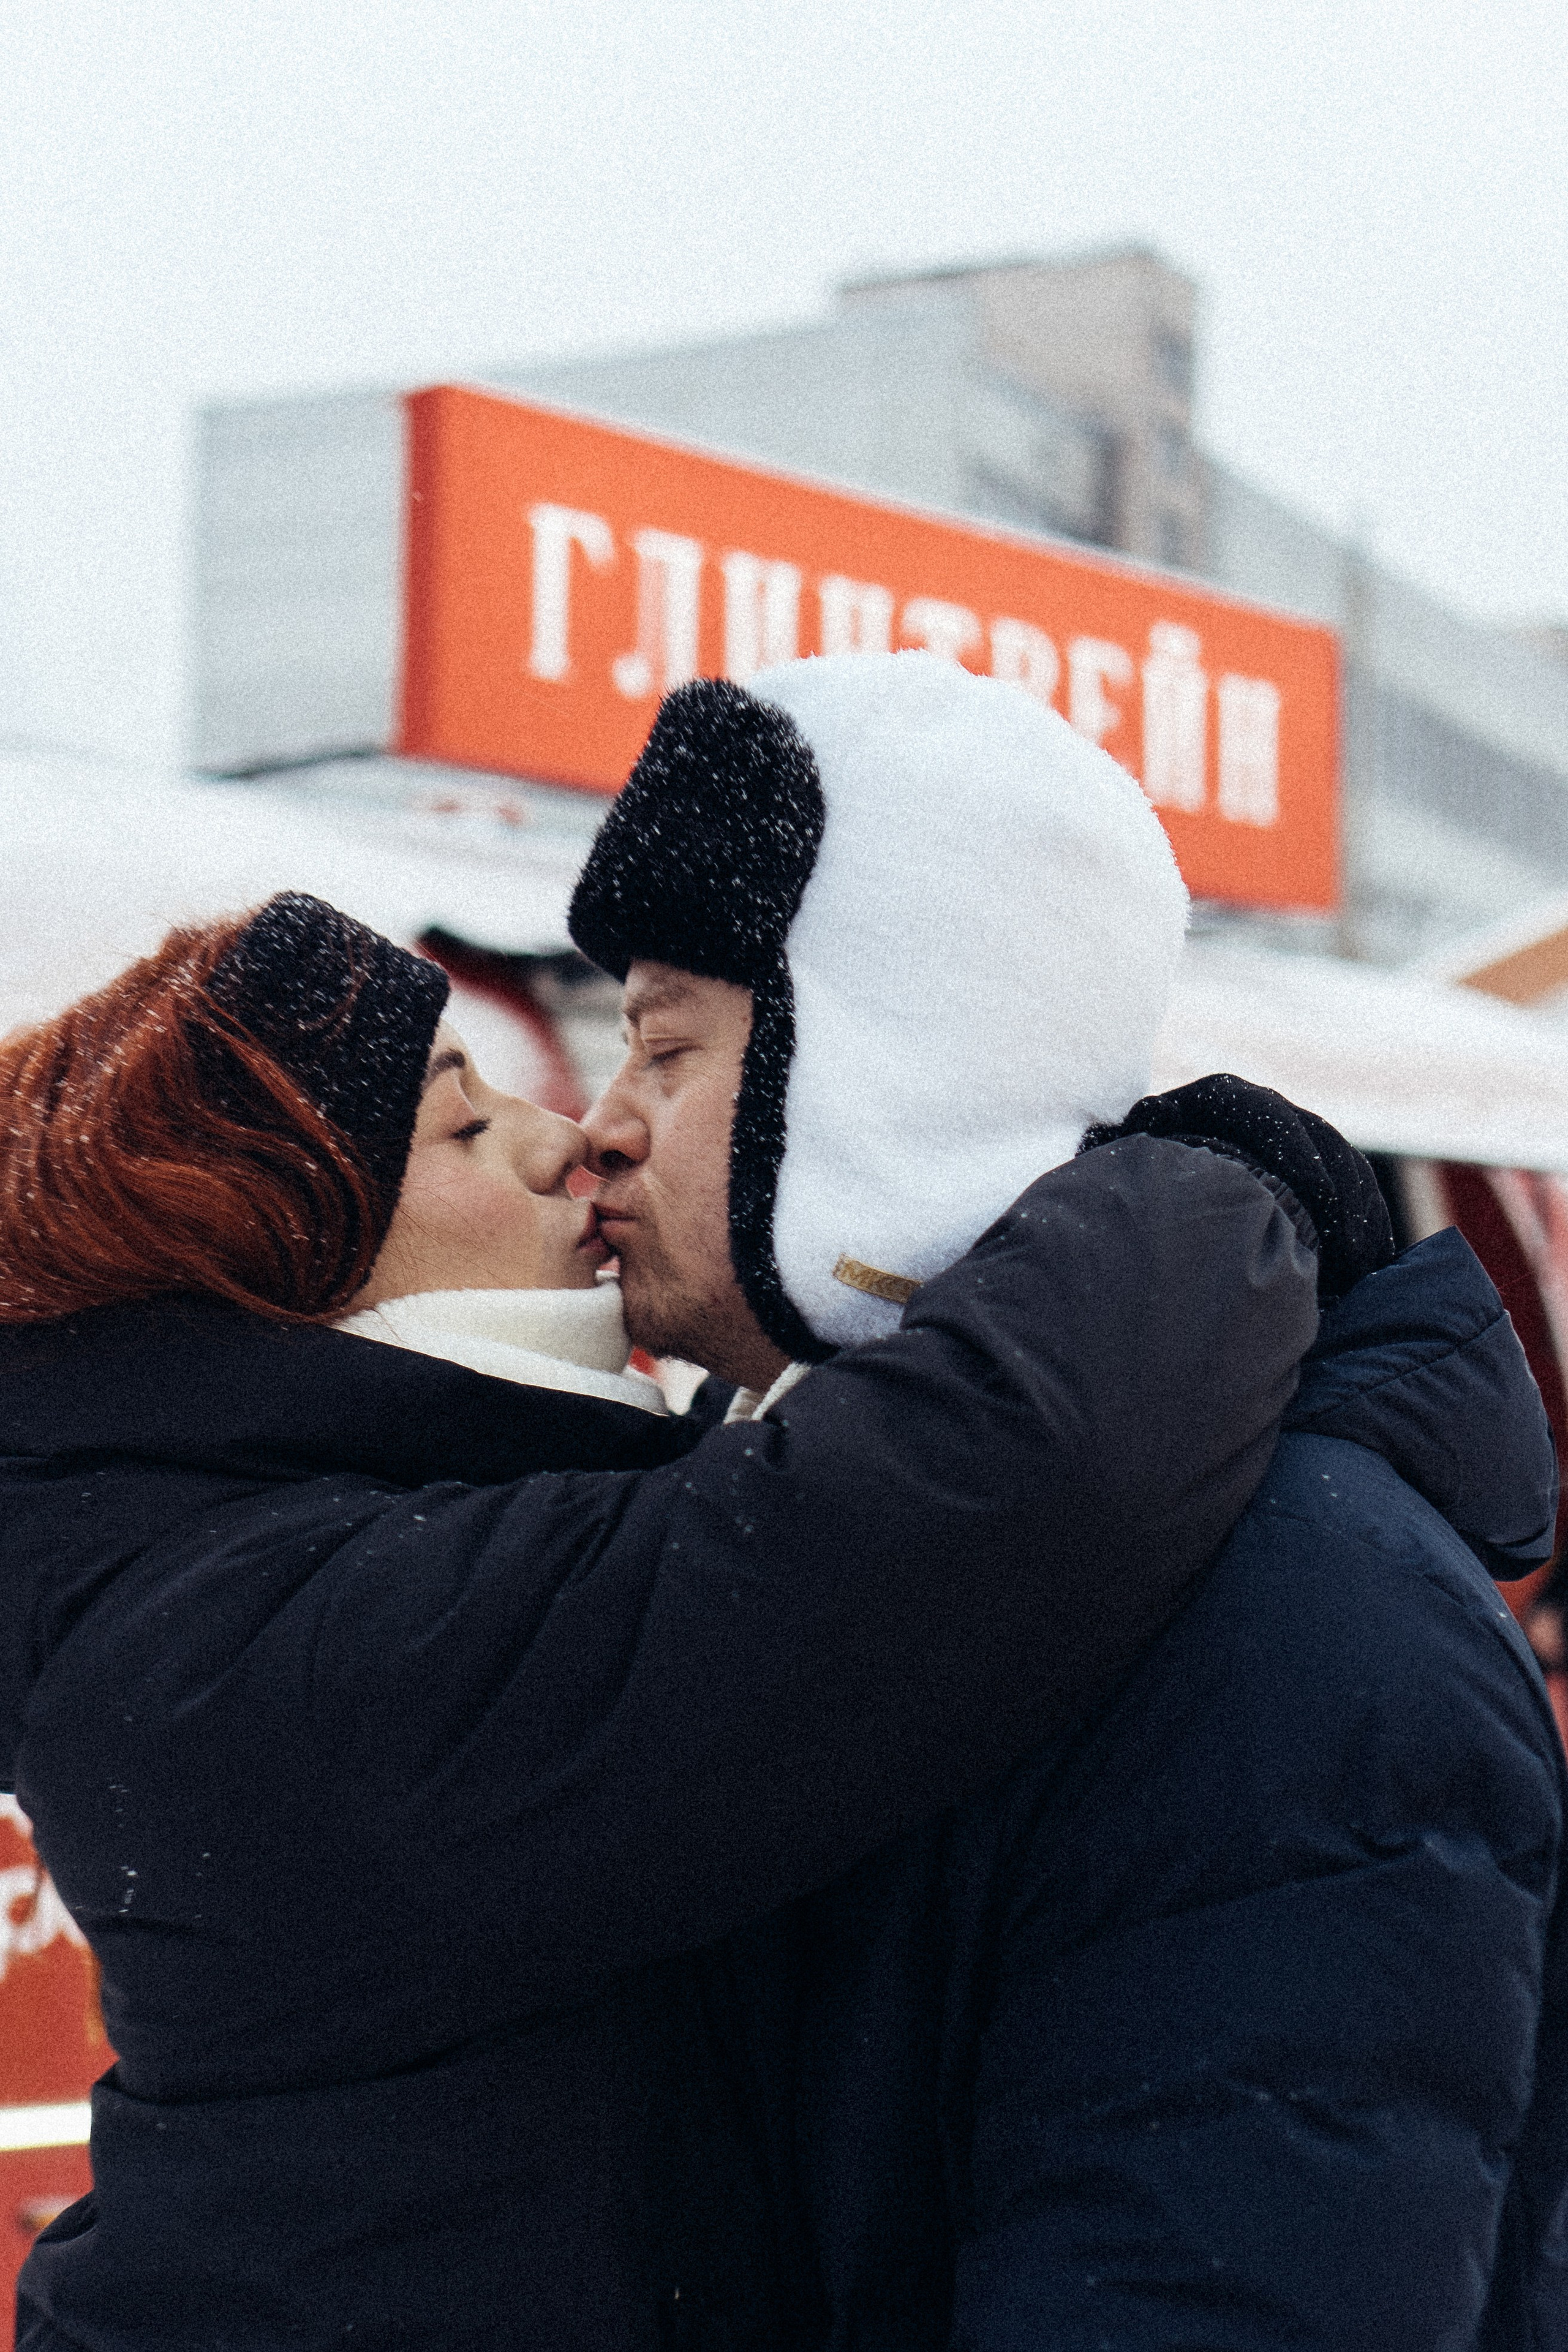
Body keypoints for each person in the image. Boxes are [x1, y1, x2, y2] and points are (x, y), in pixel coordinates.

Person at [1, 888, 1325, 2347]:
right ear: (291, 1269)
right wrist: (1207, 1182)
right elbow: (992, 1489)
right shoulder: (269, 1652)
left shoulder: (229, 1570)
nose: (563, 1136)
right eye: (461, 1128)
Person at [568, 651, 1568, 2348]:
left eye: (667, 1050)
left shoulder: (1294, 1615)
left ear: (887, 1081)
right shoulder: (814, 1513)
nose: (598, 1130)